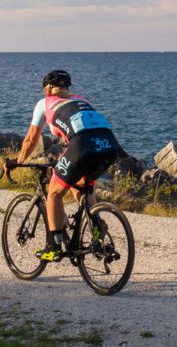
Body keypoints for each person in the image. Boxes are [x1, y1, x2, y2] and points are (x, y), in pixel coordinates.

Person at [8, 70, 119, 261]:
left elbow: (30, 140)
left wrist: (17, 162)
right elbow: (80, 129)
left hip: (83, 146)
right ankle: (97, 225)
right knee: (81, 186)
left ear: (49, 88)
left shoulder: (44, 104)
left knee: (53, 192)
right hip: (109, 145)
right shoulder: (82, 101)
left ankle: (54, 246)